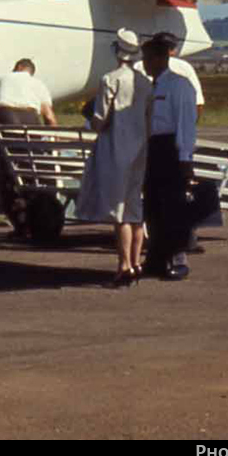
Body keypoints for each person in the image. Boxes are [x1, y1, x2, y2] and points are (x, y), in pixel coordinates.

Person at [74, 30, 152, 286]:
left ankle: (124, 264)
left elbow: (101, 119)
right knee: (135, 209)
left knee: (119, 213)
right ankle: (137, 261)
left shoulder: (110, 79)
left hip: (115, 148)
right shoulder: (145, 82)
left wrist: (92, 119)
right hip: (141, 149)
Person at [140, 32, 199, 280]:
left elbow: (187, 123)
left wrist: (185, 157)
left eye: (148, 58)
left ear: (160, 58)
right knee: (152, 206)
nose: (144, 63)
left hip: (170, 149)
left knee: (172, 207)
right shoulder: (148, 86)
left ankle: (177, 258)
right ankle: (155, 257)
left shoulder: (179, 85)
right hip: (150, 148)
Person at [0, 58, 57, 138]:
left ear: (19, 67)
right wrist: (55, 136)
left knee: (5, 149)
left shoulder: (1, 79)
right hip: (31, 119)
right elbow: (49, 116)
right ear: (31, 72)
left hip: (6, 117)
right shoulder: (38, 84)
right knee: (32, 150)